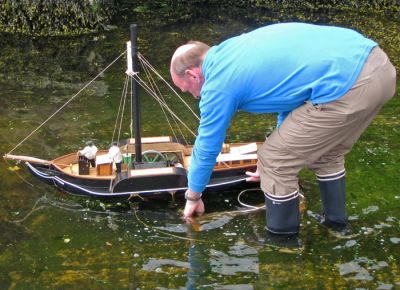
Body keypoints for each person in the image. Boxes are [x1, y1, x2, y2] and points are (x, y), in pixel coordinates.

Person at [170, 22, 396, 235]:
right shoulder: (235, 50)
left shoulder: (218, 82)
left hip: (349, 85)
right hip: (380, 67)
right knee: (327, 153)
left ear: (193, 74)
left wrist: (194, 195)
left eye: (188, 89)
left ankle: (283, 245)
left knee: (274, 159)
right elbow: (290, 98)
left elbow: (208, 144)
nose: (195, 95)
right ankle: (336, 227)